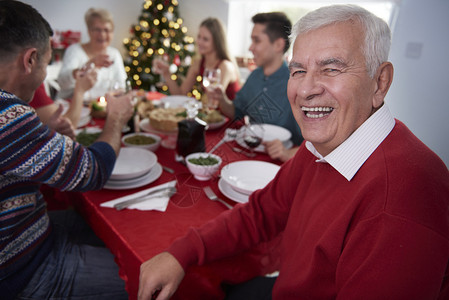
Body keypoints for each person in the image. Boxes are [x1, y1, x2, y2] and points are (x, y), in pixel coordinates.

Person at [137, 4, 449, 300]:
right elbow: (261, 212)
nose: (305, 89)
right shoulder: (320, 146)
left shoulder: (404, 201)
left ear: (380, 83)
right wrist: (182, 252)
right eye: (297, 71)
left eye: (331, 68)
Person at [0, 1, 134, 299]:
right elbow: (93, 171)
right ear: (30, 60)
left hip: (33, 230)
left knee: (108, 226)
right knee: (142, 276)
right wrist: (115, 121)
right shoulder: (8, 115)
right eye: (47, 64)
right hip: (24, 270)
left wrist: (44, 137)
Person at [208, 12, 303, 162]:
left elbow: (317, 144)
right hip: (248, 154)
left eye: (256, 41)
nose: (250, 48)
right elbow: (236, 112)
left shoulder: (298, 85)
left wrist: (287, 153)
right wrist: (222, 99)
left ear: (278, 45)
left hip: (282, 165)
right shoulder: (255, 76)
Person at [154, 17, 241, 100]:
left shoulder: (225, 66)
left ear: (217, 42)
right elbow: (180, 94)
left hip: (227, 115)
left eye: (205, 39)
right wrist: (166, 73)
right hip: (212, 114)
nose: (199, 42)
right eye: (199, 37)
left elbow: (214, 101)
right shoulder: (198, 63)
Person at [57, 7, 127, 101]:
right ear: (89, 31)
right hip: (71, 106)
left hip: (102, 108)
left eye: (106, 30)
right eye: (97, 30)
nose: (102, 35)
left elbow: (122, 85)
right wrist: (87, 65)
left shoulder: (114, 54)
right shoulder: (74, 51)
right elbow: (62, 82)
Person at [30, 67, 98, 139]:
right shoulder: (30, 81)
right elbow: (66, 126)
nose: (46, 74)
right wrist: (80, 90)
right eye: (46, 63)